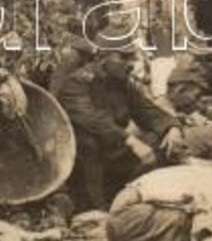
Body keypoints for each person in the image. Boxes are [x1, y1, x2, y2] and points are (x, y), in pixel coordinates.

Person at [52, 44, 185, 211]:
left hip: (113, 151)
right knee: (88, 142)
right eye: (123, 57)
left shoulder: (122, 83)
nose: (130, 64)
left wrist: (171, 128)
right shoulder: (78, 82)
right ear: (103, 58)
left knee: (164, 144)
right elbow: (93, 121)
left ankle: (131, 197)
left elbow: (147, 111)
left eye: (132, 57)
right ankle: (94, 208)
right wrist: (130, 141)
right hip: (81, 160)